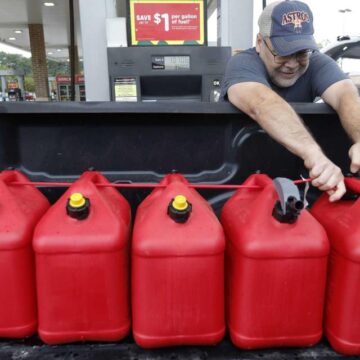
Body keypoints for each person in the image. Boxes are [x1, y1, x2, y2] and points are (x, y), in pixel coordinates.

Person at [220, 0, 360, 202]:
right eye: (283, 53)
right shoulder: (242, 63)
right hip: (241, 185)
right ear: (260, 43)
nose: (293, 64)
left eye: (301, 52)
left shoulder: (316, 62)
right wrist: (315, 156)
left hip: (296, 183)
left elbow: (345, 94)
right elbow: (261, 102)